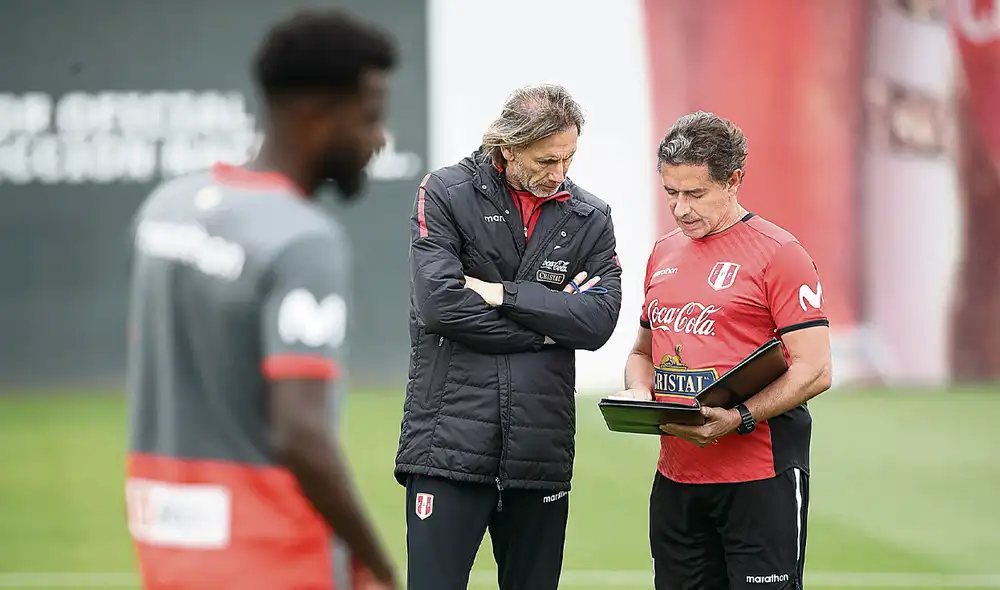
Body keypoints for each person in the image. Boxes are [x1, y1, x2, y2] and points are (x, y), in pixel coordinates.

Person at [124, 10, 399, 590]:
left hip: (167, 546)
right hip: (270, 557)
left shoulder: (165, 209)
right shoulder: (301, 239)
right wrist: (377, 564)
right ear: (315, 116)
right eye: (370, 118)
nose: (378, 140)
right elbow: (301, 435)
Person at [394, 84, 623, 590]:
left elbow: (598, 321)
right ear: (507, 147)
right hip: (447, 446)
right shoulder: (445, 192)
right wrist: (546, 330)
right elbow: (440, 306)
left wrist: (504, 296)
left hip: (538, 451)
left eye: (568, 159)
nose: (559, 173)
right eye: (546, 160)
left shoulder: (591, 216)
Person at [612, 111, 833, 590]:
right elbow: (642, 353)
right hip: (676, 481)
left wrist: (741, 417)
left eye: (695, 193)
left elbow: (815, 369)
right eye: (671, 192)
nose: (681, 208)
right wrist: (637, 394)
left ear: (733, 180)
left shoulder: (780, 253)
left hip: (759, 477)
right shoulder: (663, 253)